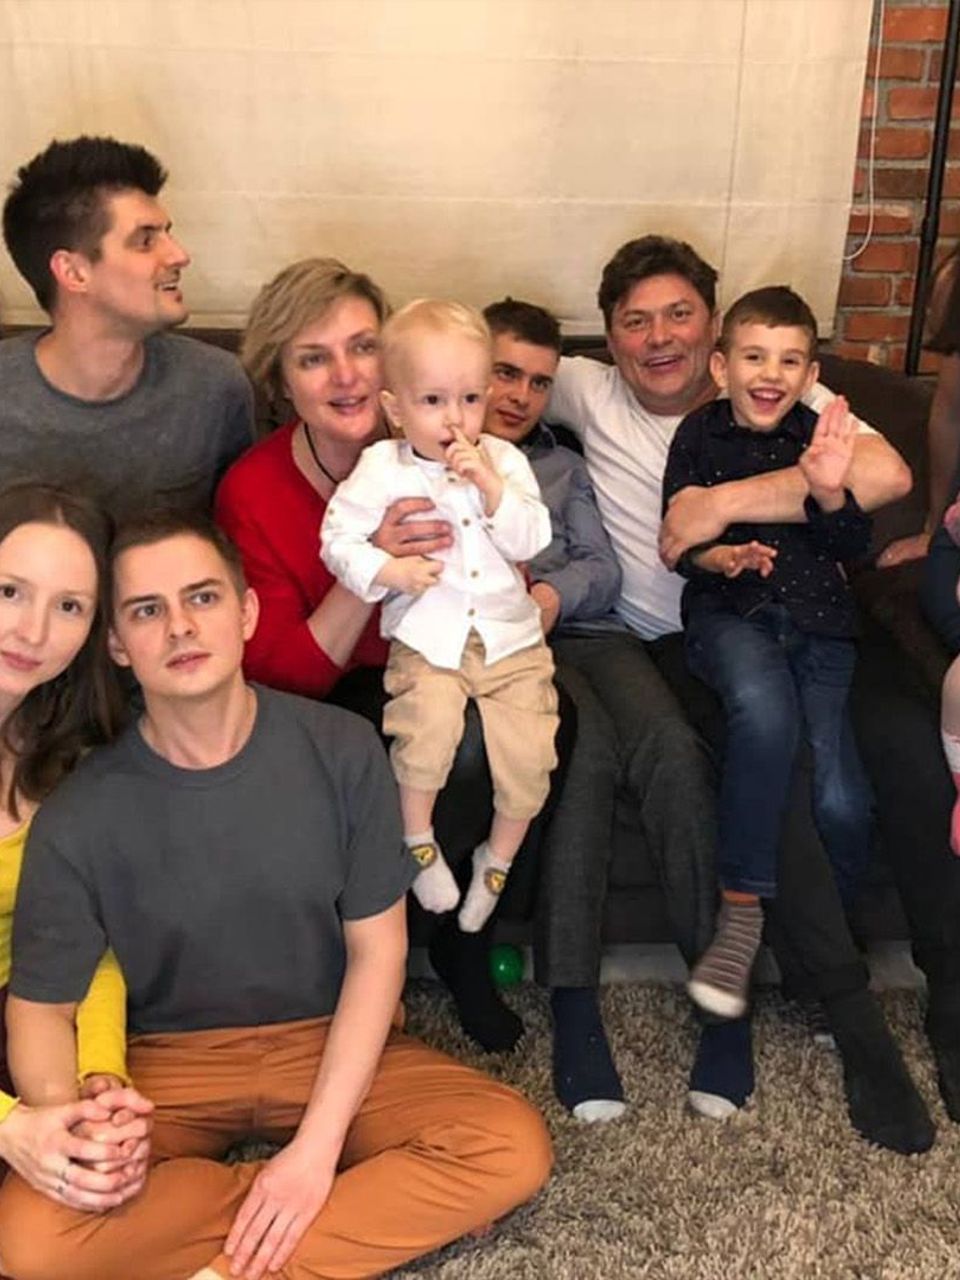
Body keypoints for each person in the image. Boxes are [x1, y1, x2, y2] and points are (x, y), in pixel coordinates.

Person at [0, 512, 553, 1280]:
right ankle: (334, 1208)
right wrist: (69, 1119)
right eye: (147, 611)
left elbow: (378, 953)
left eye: (202, 598)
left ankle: (235, 1263)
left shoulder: (342, 750)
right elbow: (41, 1005)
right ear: (118, 645)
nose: (180, 627)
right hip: (167, 1064)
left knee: (509, 1146)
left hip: (324, 1041)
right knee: (28, 1241)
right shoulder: (81, 805)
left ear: (248, 612)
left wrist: (316, 1152)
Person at [546, 234, 942, 1157]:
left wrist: (723, 505)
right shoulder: (585, 391)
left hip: (803, 623)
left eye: (678, 314)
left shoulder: (788, 387)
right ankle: (848, 1010)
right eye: (634, 322)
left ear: (714, 332)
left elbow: (885, 476)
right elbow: (476, 364)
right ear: (608, 337)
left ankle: (918, 990)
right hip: (682, 639)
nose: (658, 338)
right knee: (776, 763)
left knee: (858, 771)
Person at [216, 259, 572, 1055]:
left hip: (459, 653)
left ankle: (466, 937)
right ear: (281, 380)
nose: (346, 375)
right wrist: (374, 564)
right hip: (335, 687)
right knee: (427, 741)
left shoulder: (448, 441)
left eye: (362, 346)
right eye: (314, 358)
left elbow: (513, 559)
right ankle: (386, 949)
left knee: (547, 721)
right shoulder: (256, 489)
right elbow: (286, 673)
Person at [664, 287, 874, 1019]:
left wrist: (831, 493)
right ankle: (742, 913)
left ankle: (827, 954)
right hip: (731, 617)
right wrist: (719, 558)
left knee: (841, 798)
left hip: (821, 628)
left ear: (809, 374)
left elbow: (854, 547)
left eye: (789, 362)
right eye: (754, 357)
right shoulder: (697, 436)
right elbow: (677, 543)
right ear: (721, 366)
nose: (770, 374)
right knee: (763, 711)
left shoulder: (822, 438)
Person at [322, 299, 559, 933]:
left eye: (470, 399)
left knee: (530, 755)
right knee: (425, 732)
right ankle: (419, 841)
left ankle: (496, 862)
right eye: (432, 401)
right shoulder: (382, 468)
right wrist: (389, 571)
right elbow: (337, 541)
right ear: (396, 408)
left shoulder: (503, 461)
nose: (455, 419)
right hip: (430, 638)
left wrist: (491, 488)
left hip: (511, 640)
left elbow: (532, 538)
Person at [481, 297, 625, 1119]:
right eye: (505, 372)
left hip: (563, 635)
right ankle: (557, 993)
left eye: (539, 382)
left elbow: (603, 567)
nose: (520, 396)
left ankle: (581, 995)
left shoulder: (563, 465)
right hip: (468, 653)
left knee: (623, 750)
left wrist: (551, 595)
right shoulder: (421, 458)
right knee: (573, 749)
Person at [0, 482, 151, 1229]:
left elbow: (86, 945)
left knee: (94, 1173)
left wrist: (98, 1076)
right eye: (9, 591)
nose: (32, 630)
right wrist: (8, 1125)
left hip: (23, 1011)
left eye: (69, 606)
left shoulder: (72, 755)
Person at [0, 136, 252, 515]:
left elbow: (239, 528)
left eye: (168, 234)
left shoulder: (215, 387)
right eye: (145, 241)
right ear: (73, 272)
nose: (179, 255)